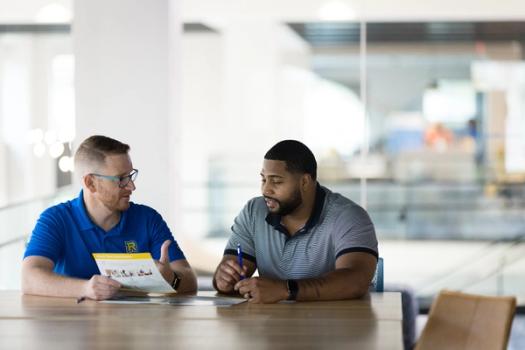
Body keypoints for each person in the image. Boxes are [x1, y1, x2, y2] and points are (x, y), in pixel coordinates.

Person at [21, 135, 197, 300]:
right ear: (90, 183)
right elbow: (29, 278)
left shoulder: (148, 219)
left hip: (137, 329)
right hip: (72, 328)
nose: (132, 186)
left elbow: (189, 280)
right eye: (121, 179)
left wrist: (170, 278)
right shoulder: (55, 219)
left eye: (131, 176)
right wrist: (85, 289)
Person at [213, 140, 378, 303]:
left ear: (304, 182)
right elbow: (231, 272)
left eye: (276, 181)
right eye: (264, 179)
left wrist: (286, 290)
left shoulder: (348, 216)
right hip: (270, 324)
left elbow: (356, 280)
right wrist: (224, 279)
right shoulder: (253, 212)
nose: (265, 189)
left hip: (331, 325)